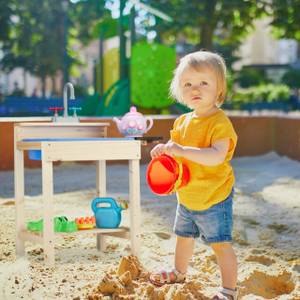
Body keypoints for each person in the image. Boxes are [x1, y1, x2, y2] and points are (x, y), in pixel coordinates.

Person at [149, 50, 238, 300]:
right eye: (187, 83)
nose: (194, 88)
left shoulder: (219, 123)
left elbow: (217, 156)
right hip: (187, 196)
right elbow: (176, 155)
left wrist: (181, 150)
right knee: (183, 238)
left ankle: (228, 290)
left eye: (203, 83)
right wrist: (165, 152)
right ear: (179, 89)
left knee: (220, 244)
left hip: (214, 196)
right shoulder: (182, 122)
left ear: (219, 89)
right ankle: (179, 271)